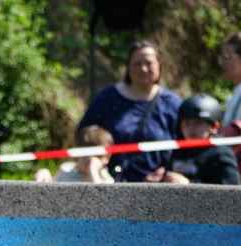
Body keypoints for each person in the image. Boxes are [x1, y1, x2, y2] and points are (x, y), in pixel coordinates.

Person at [77, 40, 182, 182]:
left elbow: (185, 146)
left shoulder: (172, 104)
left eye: (149, 63)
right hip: (109, 183)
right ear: (128, 67)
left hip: (159, 188)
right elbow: (85, 136)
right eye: (137, 64)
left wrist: (167, 173)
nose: (143, 69)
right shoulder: (107, 98)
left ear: (159, 65)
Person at [149, 94, 241, 185]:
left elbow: (232, 194)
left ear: (214, 127)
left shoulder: (221, 154)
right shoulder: (177, 150)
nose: (191, 128)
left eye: (198, 123)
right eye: (187, 123)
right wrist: (158, 179)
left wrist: (189, 185)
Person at [46, 125, 115, 183]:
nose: (106, 161)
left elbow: (102, 196)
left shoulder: (104, 177)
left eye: (108, 157)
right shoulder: (66, 170)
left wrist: (93, 172)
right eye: (101, 157)